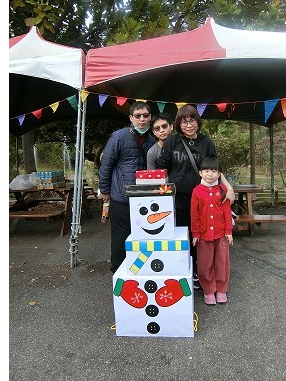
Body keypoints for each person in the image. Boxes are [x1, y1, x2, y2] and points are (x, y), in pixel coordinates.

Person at [156, 105, 235, 289]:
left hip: (203, 198)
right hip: (178, 198)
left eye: (192, 121)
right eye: (184, 122)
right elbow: (161, 169)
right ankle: (184, 269)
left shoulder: (206, 142)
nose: (188, 125)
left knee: (201, 235)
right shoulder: (172, 141)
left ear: (198, 122)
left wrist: (229, 188)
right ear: (178, 124)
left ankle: (202, 271)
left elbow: (215, 169)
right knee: (181, 234)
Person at [98, 101, 156, 273]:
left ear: (150, 117)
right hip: (121, 196)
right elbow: (106, 164)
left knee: (143, 234)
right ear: (131, 118)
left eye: (145, 115)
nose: (142, 119)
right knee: (120, 236)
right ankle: (118, 271)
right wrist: (105, 190)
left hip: (144, 198)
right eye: (138, 116)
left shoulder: (153, 139)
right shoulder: (119, 136)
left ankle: (138, 271)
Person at [190, 157, 233, 305]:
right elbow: (194, 214)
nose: (210, 174)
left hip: (221, 235)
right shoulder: (197, 191)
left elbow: (227, 212)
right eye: (206, 171)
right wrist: (195, 233)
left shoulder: (223, 190)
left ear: (219, 174)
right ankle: (208, 290)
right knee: (205, 263)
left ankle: (221, 289)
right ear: (200, 173)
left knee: (222, 263)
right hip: (203, 235)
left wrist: (228, 231)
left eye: (214, 171)